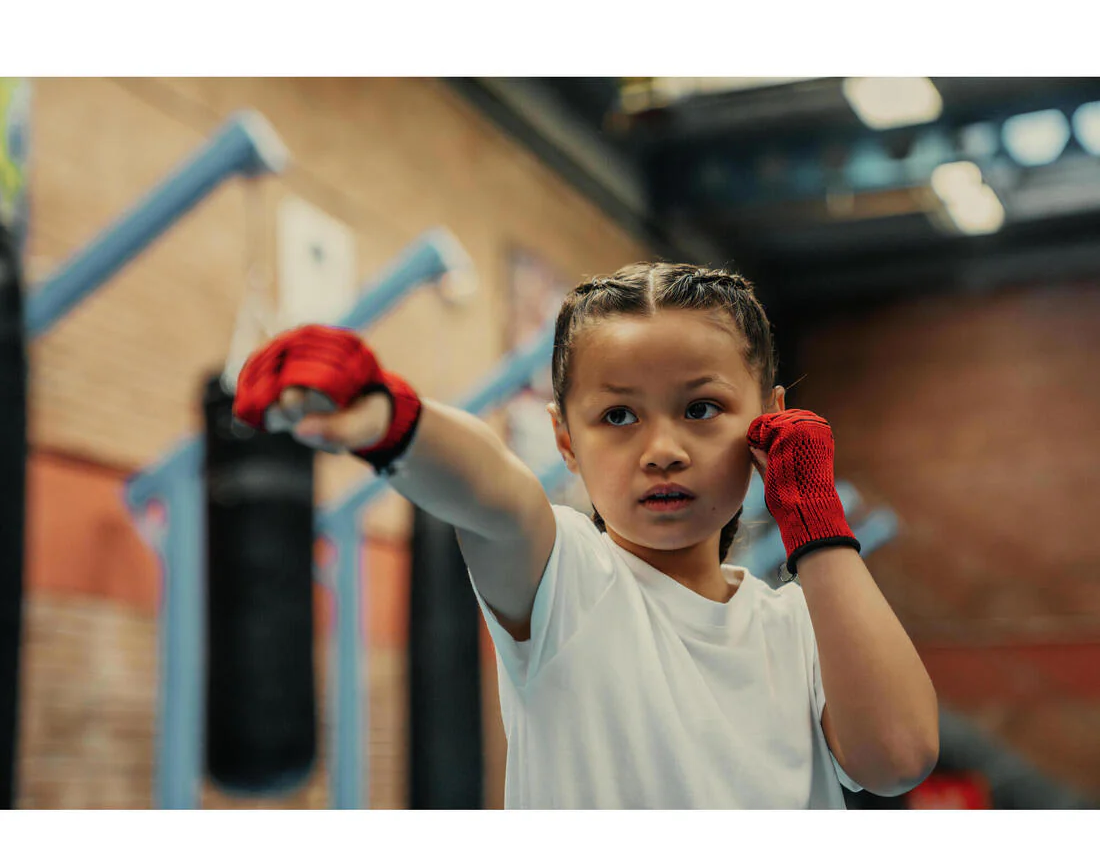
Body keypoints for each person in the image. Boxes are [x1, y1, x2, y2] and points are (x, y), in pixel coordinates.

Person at [233, 260, 939, 809]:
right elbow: (495, 491)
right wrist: (394, 419)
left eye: (702, 407)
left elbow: (898, 756)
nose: (663, 448)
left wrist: (814, 514)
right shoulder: (567, 580)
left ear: (771, 419)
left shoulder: (802, 625)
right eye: (620, 417)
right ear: (565, 442)